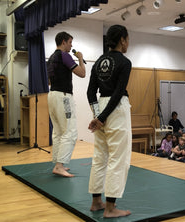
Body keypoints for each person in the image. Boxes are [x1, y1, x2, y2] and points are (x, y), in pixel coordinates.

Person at [87, 24, 132, 218]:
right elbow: (118, 93)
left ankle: (97, 202)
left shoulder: (98, 62)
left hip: (102, 108)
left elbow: (90, 92)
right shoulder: (125, 62)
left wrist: (98, 116)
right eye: (128, 39)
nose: (128, 43)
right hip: (116, 108)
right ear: (122, 39)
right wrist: (103, 117)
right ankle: (111, 208)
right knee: (118, 158)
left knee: (100, 157)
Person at [47, 31, 86, 178]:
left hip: (52, 95)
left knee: (58, 131)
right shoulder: (64, 55)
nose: (71, 46)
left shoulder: (51, 58)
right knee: (69, 131)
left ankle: (58, 163)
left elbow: (50, 80)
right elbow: (82, 73)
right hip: (64, 97)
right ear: (63, 42)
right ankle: (59, 165)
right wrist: (81, 59)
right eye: (70, 42)